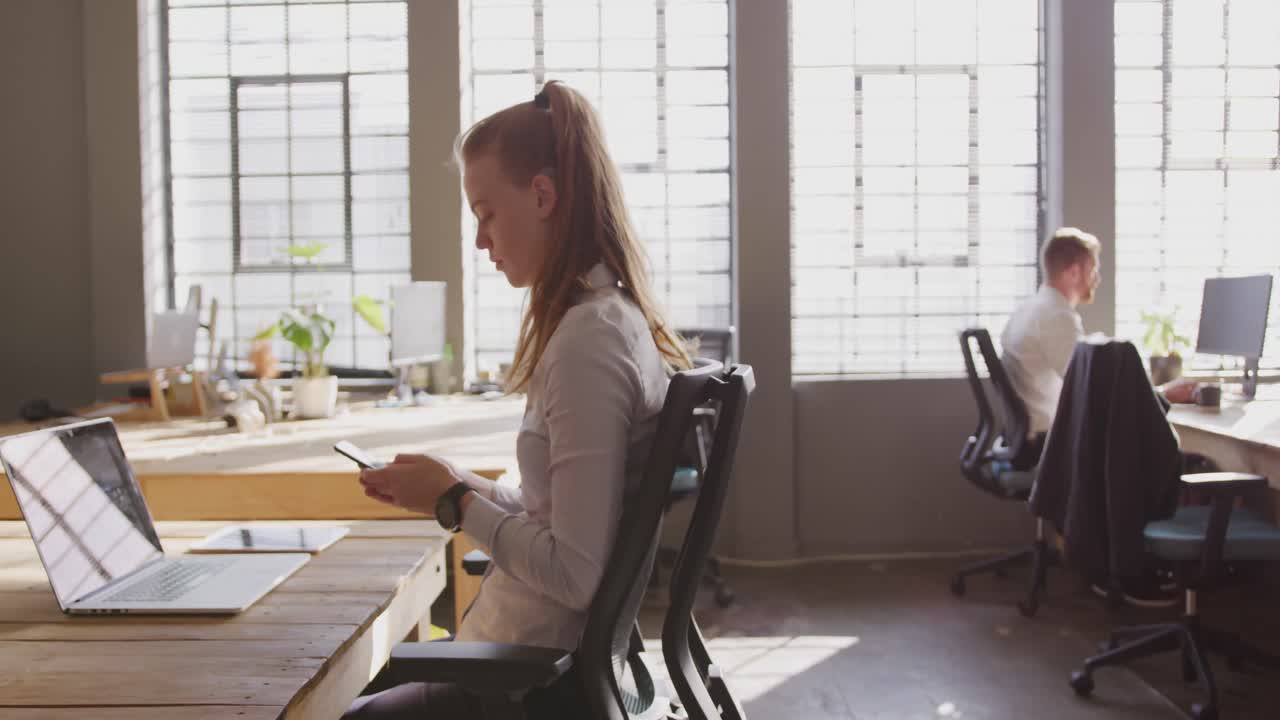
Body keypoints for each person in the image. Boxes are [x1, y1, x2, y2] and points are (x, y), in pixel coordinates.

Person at [343, 81, 691, 718]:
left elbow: (575, 573)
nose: (480, 240)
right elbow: (555, 513)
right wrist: (454, 484)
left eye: (486, 213)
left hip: (523, 679)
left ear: (541, 195)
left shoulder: (589, 342)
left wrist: (454, 503)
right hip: (522, 657)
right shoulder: (605, 320)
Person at [1000, 227, 1101, 467]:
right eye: (1093, 270)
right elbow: (1088, 387)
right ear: (1075, 272)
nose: (1097, 279)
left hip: (1025, 439)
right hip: (1043, 445)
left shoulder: (1030, 310)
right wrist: (1160, 395)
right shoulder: (1056, 316)